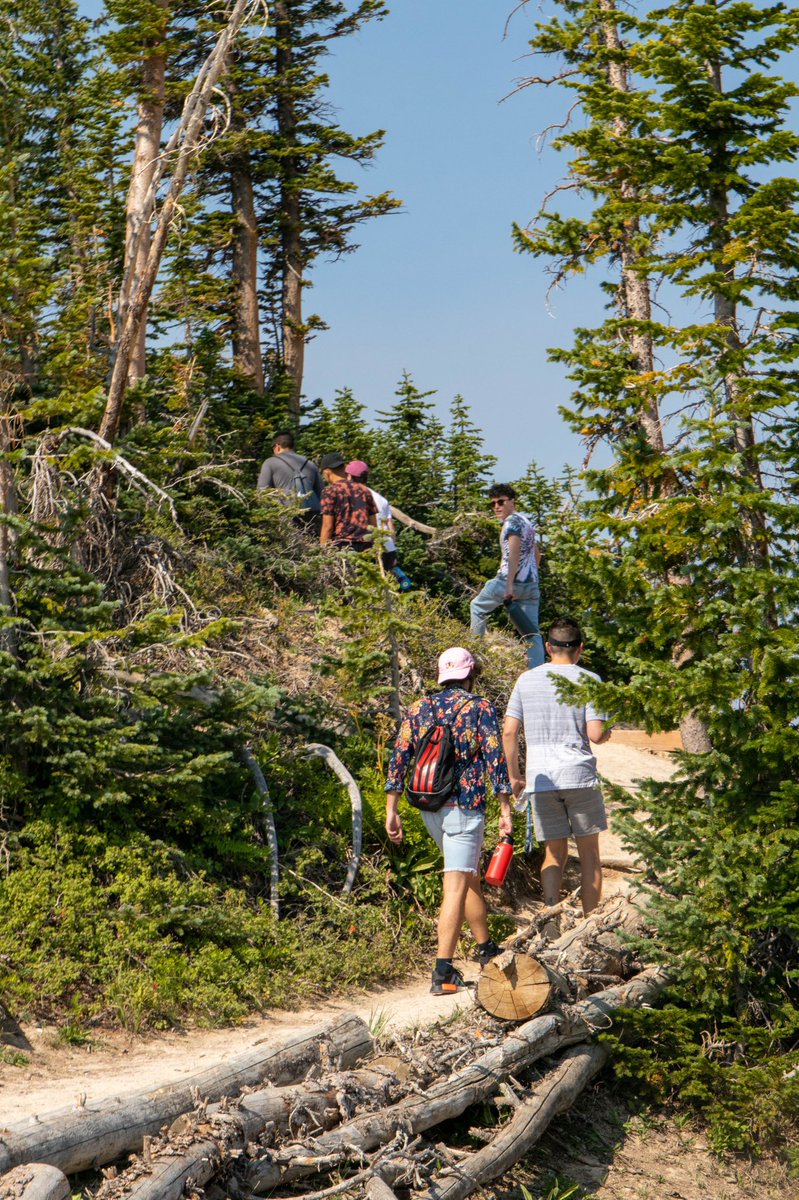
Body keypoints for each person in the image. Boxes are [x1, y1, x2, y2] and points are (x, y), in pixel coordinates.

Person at [385, 647, 513, 994]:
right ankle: (442, 972)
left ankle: (486, 949)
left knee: (467, 875)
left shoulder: (419, 708)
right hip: (465, 808)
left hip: (429, 806)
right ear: (470, 674)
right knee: (455, 885)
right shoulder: (478, 707)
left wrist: (391, 808)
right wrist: (505, 808)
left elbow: (399, 756)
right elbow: (494, 757)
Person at [502, 617, 611, 920]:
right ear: (581, 649)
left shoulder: (527, 679)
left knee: (553, 853)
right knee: (590, 855)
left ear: (548, 647)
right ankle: (590, 924)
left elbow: (509, 731)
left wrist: (514, 776)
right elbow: (595, 735)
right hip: (579, 776)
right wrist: (608, 730)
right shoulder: (589, 680)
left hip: (541, 778)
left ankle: (550, 918)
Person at [470, 483, 543, 668]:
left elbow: (513, 553)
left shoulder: (511, 523)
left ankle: (473, 655)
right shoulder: (526, 521)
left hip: (507, 581)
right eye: (493, 503)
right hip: (531, 586)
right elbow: (537, 554)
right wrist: (531, 578)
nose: (497, 507)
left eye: (501, 502)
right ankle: (537, 671)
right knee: (531, 632)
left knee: (477, 607)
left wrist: (510, 585)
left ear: (512, 501)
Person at [345, 460, 412, 590]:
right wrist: (393, 553)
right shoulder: (381, 499)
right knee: (384, 586)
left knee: (363, 588)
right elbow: (391, 528)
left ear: (349, 476)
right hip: (387, 547)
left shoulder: (352, 496)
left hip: (367, 548)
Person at [319, 452, 377, 550]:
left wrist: (322, 552)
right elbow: (373, 524)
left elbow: (327, 527)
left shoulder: (329, 491)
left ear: (327, 472)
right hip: (366, 546)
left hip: (343, 547)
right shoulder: (364, 490)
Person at [257, 431, 322, 514]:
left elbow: (262, 493)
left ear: (277, 446)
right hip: (311, 514)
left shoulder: (270, 462)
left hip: (285, 515)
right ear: (293, 446)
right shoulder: (310, 464)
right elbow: (321, 492)